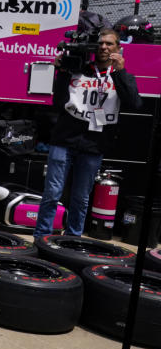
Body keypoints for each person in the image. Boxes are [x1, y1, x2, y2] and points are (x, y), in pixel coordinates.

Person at [35, 28, 142, 237]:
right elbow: (58, 102)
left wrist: (120, 72)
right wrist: (62, 72)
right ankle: (41, 237)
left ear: (118, 48)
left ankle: (73, 240)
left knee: (81, 197)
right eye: (100, 43)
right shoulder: (78, 68)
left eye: (109, 44)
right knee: (52, 193)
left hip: (94, 144)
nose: (104, 47)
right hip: (64, 139)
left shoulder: (121, 76)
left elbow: (134, 104)